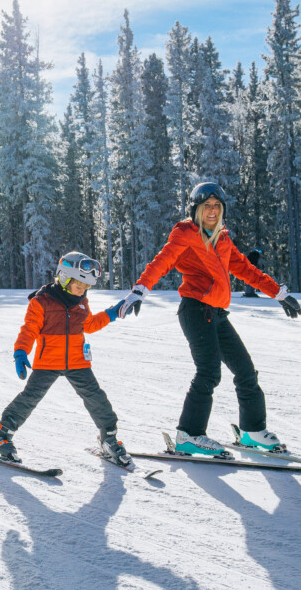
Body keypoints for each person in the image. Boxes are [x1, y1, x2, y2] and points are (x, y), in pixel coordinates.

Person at [118, 182, 301, 455]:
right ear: (196, 210)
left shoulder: (223, 238)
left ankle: (252, 431)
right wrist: (140, 289)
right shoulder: (185, 233)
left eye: (217, 206)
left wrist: (279, 293)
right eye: (207, 206)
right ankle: (188, 435)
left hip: (217, 313)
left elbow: (246, 269)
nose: (212, 211)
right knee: (209, 372)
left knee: (246, 371)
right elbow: (163, 260)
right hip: (194, 310)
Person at [0, 251, 132, 467]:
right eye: (79, 285)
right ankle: (0, 438)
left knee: (96, 398)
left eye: (86, 287)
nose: (82, 291)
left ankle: (108, 438)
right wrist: (21, 351)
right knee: (29, 398)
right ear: (64, 278)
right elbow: (29, 329)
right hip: (48, 363)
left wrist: (111, 313)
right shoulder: (41, 301)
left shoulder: (81, 302)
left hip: (78, 362)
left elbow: (88, 325)